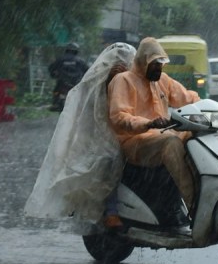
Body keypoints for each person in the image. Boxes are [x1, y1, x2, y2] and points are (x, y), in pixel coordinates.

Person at [25, 42, 137, 226]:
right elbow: (95, 118)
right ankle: (111, 211)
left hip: (128, 132)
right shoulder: (96, 82)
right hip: (103, 139)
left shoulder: (132, 81)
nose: (121, 66)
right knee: (111, 162)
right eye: (117, 63)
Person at [107, 37, 201, 217]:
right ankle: (195, 206)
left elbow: (188, 98)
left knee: (193, 136)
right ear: (143, 62)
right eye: (155, 64)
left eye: (161, 63)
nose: (159, 68)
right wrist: (148, 123)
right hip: (134, 141)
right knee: (171, 142)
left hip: (160, 135)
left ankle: (205, 196)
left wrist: (217, 110)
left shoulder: (162, 80)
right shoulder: (124, 80)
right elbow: (119, 117)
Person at [48, 42, 89, 111]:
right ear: (76, 51)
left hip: (62, 82)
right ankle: (83, 105)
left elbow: (51, 68)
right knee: (83, 93)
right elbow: (87, 70)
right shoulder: (80, 61)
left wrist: (53, 74)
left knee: (56, 90)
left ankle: (55, 103)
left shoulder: (60, 59)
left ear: (66, 50)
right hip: (76, 83)